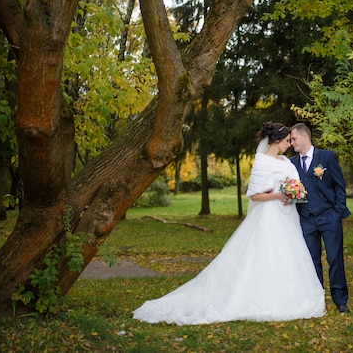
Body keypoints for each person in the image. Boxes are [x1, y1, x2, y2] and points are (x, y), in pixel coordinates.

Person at [132, 122, 325, 325]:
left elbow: (295, 185)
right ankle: (259, 295)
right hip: (269, 216)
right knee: (265, 254)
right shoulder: (262, 161)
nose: (289, 145)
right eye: (287, 141)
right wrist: (279, 195)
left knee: (288, 255)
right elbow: (255, 196)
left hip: (288, 216)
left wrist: (293, 195)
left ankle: (289, 294)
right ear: (276, 140)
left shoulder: (286, 161)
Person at [290, 123, 351, 314]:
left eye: (293, 139)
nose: (291, 143)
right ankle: (316, 300)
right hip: (307, 219)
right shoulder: (291, 163)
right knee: (311, 261)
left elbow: (339, 186)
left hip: (329, 216)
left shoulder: (327, 157)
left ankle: (340, 300)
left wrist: (338, 211)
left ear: (305, 137)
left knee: (335, 259)